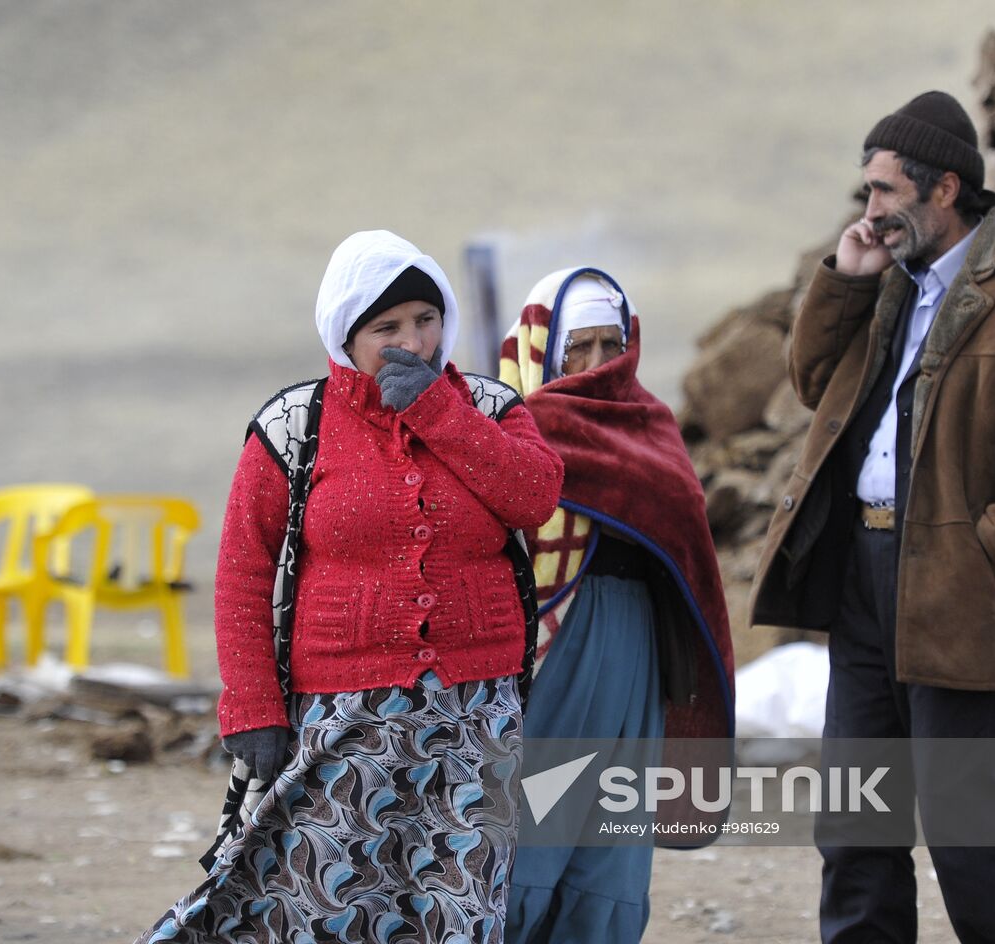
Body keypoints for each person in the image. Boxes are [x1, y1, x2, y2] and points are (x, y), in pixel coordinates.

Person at [749, 91, 995, 943]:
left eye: (883, 191)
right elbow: (813, 386)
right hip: (863, 582)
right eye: (867, 191)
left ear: (943, 189)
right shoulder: (884, 284)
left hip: (963, 587)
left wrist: (990, 549)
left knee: (963, 822)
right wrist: (844, 282)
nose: (870, 210)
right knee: (856, 822)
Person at [138, 229, 564, 944]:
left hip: (474, 714)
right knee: (318, 902)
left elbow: (535, 497)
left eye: (426, 321)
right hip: (341, 714)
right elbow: (244, 568)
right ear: (346, 333)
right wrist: (252, 707)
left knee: (457, 909)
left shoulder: (489, 409)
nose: (414, 342)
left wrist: (436, 412)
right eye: (386, 327)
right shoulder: (293, 425)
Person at [497, 268, 735, 944]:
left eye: (612, 344)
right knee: (529, 830)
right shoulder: (508, 426)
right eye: (581, 346)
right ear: (545, 346)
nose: (599, 364)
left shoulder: (650, 426)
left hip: (635, 650)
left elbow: (690, 547)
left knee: (610, 847)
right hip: (550, 655)